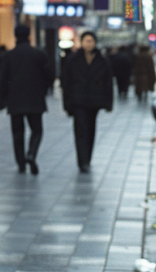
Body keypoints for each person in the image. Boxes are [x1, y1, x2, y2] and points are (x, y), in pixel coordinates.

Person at [0, 25, 54, 175]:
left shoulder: (8, 56)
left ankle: (21, 163)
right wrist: (44, 89)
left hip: (15, 100)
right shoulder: (38, 54)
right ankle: (31, 153)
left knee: (17, 132)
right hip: (35, 99)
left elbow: (3, 79)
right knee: (37, 130)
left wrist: (2, 98)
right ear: (29, 35)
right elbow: (49, 75)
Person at [60, 30, 113, 173]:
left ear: (95, 43)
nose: (88, 44)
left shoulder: (102, 60)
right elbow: (66, 83)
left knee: (90, 130)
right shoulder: (73, 59)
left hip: (95, 101)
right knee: (81, 130)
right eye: (86, 41)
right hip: (78, 101)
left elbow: (108, 82)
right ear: (81, 42)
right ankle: (82, 161)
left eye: (91, 41)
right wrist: (67, 104)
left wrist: (108, 103)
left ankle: (87, 159)